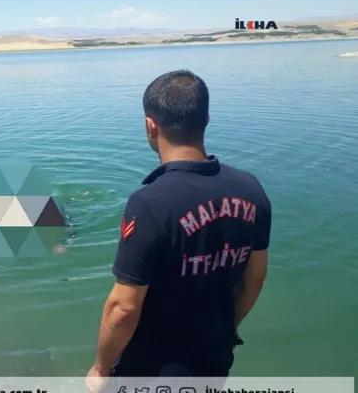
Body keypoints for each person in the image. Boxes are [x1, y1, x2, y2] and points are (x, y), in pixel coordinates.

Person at [86, 70, 272, 384]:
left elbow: (124, 307)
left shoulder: (150, 203)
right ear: (207, 119)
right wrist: (227, 328)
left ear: (150, 126)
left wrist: (100, 369)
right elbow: (255, 278)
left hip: (152, 367)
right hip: (216, 359)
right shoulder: (251, 189)